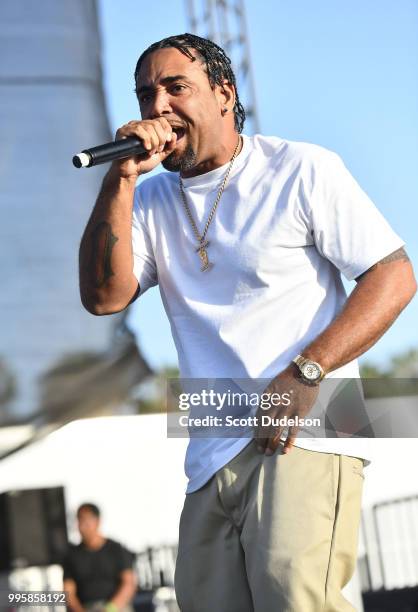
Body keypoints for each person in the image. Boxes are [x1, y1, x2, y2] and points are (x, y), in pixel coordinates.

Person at [78, 33, 417, 611]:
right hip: (211, 441)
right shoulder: (151, 199)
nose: (156, 105)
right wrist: (122, 179)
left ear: (225, 94)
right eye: (144, 93)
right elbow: (104, 297)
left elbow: (394, 276)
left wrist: (308, 371)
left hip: (308, 430)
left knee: (294, 599)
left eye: (175, 87)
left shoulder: (299, 168)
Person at [63, 503, 137, 612]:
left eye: (86, 521)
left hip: (116, 608)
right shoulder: (72, 555)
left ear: (97, 522)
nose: (82, 526)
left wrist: (110, 609)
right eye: (80, 520)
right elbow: (68, 591)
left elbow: (129, 584)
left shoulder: (116, 549)